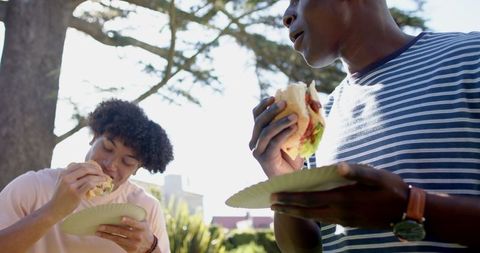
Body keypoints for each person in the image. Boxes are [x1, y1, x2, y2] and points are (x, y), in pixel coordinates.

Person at [249, 0, 480, 252]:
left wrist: (409, 207)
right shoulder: (320, 117)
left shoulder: (471, 57)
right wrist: (284, 182)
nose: (286, 16)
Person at [0, 99, 174, 253]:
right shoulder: (33, 186)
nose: (110, 165)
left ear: (137, 168)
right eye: (107, 147)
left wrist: (149, 248)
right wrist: (53, 210)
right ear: (94, 137)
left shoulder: (145, 209)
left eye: (127, 162)